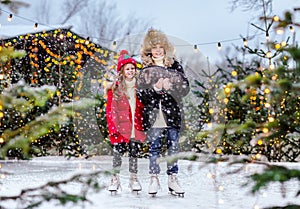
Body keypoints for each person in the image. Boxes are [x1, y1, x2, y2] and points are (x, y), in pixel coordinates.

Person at [137, 28, 190, 196]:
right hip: (154, 115)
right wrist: (156, 88)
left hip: (172, 113)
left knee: (173, 146)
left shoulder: (175, 66)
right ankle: (154, 178)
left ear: (165, 48)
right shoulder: (145, 70)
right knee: (154, 147)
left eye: (160, 47)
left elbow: (185, 88)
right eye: (154, 47)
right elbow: (141, 94)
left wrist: (172, 88)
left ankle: (173, 178)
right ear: (149, 51)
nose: (158, 50)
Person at [105, 49, 146, 193]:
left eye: (133, 68)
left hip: (135, 126)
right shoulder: (115, 89)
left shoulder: (140, 87)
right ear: (122, 71)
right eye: (127, 68)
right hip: (120, 128)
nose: (130, 71)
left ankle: (133, 178)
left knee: (134, 153)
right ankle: (114, 179)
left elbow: (143, 107)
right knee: (117, 154)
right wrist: (113, 128)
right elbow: (110, 111)